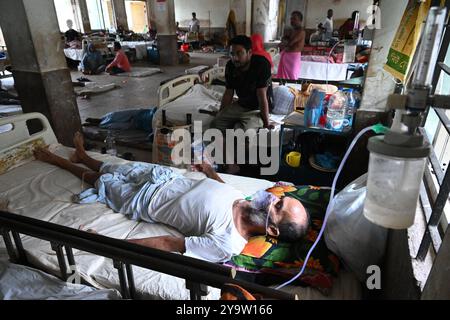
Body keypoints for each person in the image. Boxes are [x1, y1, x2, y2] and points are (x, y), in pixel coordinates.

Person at [32, 133, 310, 263]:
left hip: (143, 200)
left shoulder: (229, 242)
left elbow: (168, 243)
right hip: (164, 177)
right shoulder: (247, 202)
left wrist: (110, 243)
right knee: (115, 167)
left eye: (278, 205)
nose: (272, 197)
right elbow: (223, 188)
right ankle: (84, 156)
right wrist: (209, 170)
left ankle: (56, 160)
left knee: (102, 181)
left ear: (272, 229)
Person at [211, 35, 274, 133]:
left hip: (257, 109)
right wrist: (221, 113)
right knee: (215, 124)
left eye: (239, 53)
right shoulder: (230, 66)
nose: (234, 58)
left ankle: (240, 127)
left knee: (243, 133)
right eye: (232, 54)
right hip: (241, 105)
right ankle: (227, 142)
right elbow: (229, 93)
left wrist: (266, 123)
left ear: (249, 53)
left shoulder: (261, 65)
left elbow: (262, 96)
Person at [276, 11, 305, 80]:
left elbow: (290, 43)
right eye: (291, 18)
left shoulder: (301, 32)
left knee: (292, 76)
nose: (292, 21)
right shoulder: (291, 30)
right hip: (286, 55)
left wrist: (283, 44)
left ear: (300, 20)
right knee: (283, 78)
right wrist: (284, 42)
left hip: (293, 57)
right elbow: (284, 39)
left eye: (294, 19)